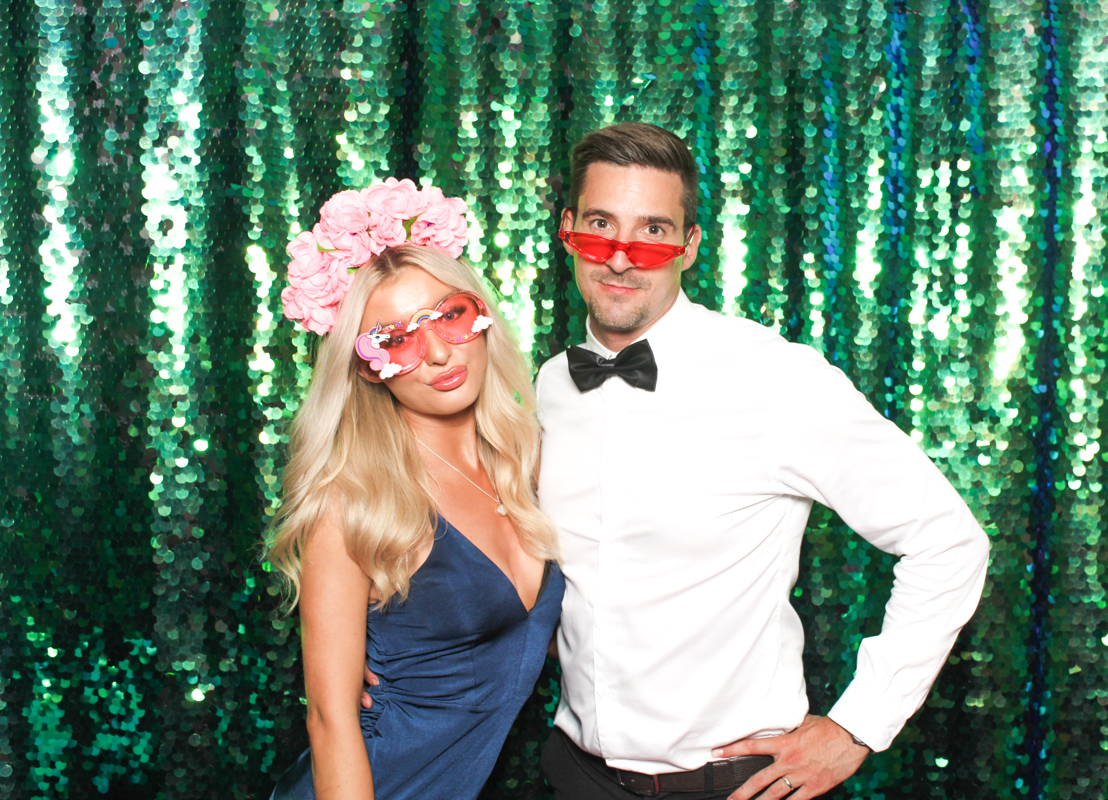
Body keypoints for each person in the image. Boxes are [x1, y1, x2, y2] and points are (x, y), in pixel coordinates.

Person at [534, 122, 991, 800]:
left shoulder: (774, 380)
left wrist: (858, 725)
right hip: (575, 775)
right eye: (601, 224)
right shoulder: (550, 385)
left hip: (732, 786)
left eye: (653, 232)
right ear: (568, 229)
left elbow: (949, 543)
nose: (622, 257)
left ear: (689, 247)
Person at [265, 178, 563, 800]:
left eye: (450, 316)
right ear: (364, 366)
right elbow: (331, 718)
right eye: (396, 338)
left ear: (479, 315)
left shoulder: (534, 459)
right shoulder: (350, 499)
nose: (435, 353)